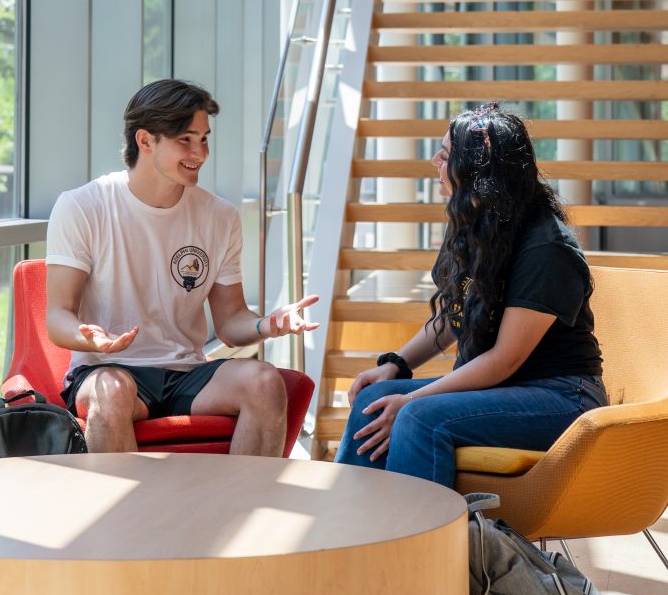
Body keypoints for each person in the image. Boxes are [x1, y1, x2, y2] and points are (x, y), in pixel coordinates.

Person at [334, 102, 608, 488]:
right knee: (373, 401)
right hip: (506, 389)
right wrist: (395, 363)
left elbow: (504, 359)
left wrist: (412, 400)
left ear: (481, 172)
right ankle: (357, 534)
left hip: (562, 398)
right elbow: (454, 316)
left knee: (417, 417)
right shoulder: (481, 225)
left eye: (446, 156)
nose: (434, 162)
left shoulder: (547, 248)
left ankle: (421, 545)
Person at [45, 78, 318, 455]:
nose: (200, 153)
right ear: (145, 141)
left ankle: (245, 510)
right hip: (109, 370)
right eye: (185, 140)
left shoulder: (219, 216)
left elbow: (231, 322)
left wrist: (266, 325)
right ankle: (126, 515)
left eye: (204, 139)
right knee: (112, 394)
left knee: (264, 382)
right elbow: (57, 316)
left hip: (187, 373)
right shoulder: (82, 207)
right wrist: (86, 337)